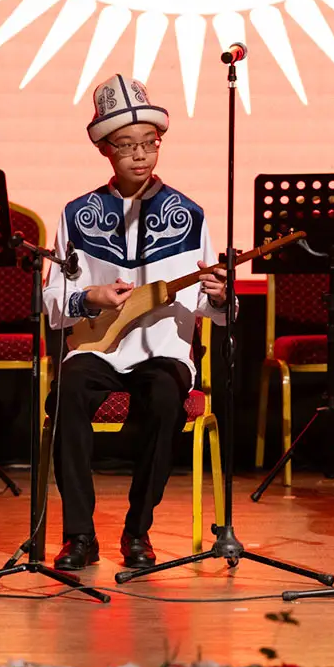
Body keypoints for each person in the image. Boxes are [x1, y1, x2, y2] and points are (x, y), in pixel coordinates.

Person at [43, 74, 228, 571]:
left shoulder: (188, 214)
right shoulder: (77, 214)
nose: (141, 155)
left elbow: (209, 307)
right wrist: (90, 296)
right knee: (67, 391)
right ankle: (79, 534)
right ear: (106, 150)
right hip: (98, 349)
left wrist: (221, 298)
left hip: (164, 349)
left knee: (166, 398)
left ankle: (138, 530)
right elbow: (53, 300)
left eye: (150, 143)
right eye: (127, 146)